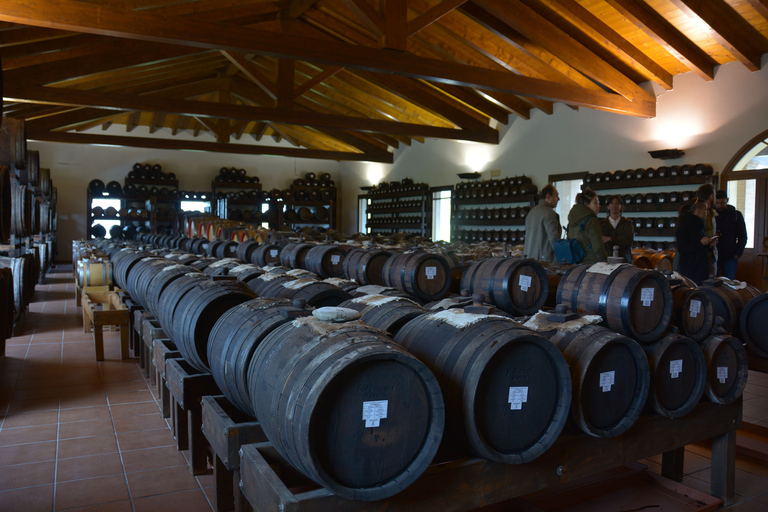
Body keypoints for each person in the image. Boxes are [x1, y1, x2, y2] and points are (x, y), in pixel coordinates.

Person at [676, 198, 717, 285]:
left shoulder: (699, 224)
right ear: (698, 210)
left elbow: (700, 246)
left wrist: (710, 245)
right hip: (691, 270)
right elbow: (682, 249)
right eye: (705, 210)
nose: (707, 212)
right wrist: (701, 243)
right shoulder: (684, 225)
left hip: (701, 268)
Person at [567, 188, 608, 264]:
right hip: (592, 263)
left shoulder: (572, 218)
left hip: (575, 262)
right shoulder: (592, 220)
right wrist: (604, 261)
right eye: (595, 203)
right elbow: (597, 245)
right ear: (586, 204)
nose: (599, 205)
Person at [714, 190, 747, 279]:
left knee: (729, 284)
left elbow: (742, 236)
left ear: (727, 200)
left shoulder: (736, 215)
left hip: (730, 255)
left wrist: (737, 253)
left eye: (722, 203)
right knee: (711, 284)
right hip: (714, 255)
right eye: (717, 203)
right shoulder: (710, 215)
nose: (720, 205)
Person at [523, 184, 561, 264]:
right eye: (556, 196)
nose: (558, 199)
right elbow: (554, 239)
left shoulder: (531, 212)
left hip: (529, 259)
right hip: (544, 262)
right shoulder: (549, 213)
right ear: (548, 197)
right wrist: (562, 255)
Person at [600, 195, 634, 262]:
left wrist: (610, 238)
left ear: (621, 206)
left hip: (625, 259)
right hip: (607, 259)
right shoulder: (602, 224)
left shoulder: (627, 223)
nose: (614, 206)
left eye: (617, 203)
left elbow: (628, 241)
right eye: (612, 203)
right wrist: (620, 239)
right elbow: (603, 242)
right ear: (608, 207)